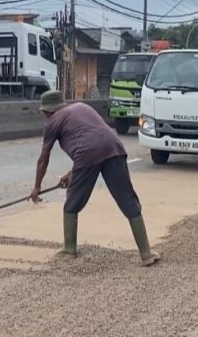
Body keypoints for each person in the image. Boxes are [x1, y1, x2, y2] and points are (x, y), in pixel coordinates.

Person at [29, 91, 160, 267]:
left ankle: (69, 249)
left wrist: (36, 187)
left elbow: (44, 157)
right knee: (127, 199)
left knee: (72, 203)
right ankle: (146, 253)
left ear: (47, 112)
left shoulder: (53, 122)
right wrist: (72, 174)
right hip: (114, 147)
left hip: (88, 154)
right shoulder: (82, 107)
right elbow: (94, 138)